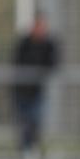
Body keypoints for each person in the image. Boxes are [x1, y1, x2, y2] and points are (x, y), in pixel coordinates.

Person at [12, 12, 59, 151]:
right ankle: (24, 151)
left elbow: (53, 64)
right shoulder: (24, 43)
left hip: (37, 92)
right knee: (23, 123)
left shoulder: (48, 44)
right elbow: (17, 63)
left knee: (35, 122)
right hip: (21, 91)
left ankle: (34, 150)